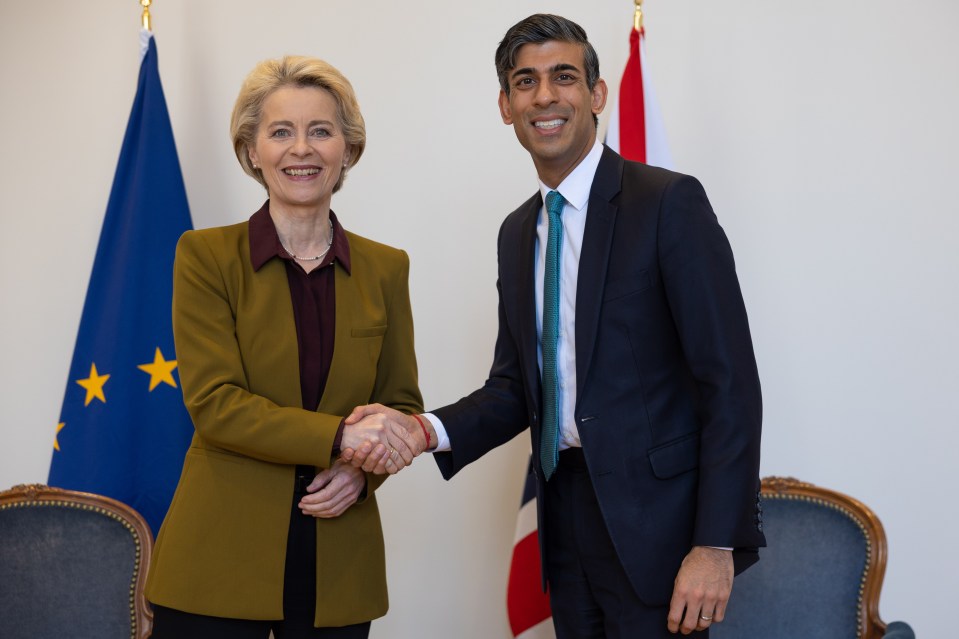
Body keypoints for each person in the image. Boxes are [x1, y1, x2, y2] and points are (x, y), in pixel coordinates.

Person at [345, 13, 765, 638]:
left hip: (662, 532)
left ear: (596, 95)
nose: (544, 96)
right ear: (505, 106)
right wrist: (420, 429)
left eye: (563, 77)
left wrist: (715, 544)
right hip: (563, 521)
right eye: (525, 82)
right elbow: (515, 388)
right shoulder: (519, 232)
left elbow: (729, 383)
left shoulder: (667, 204)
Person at [145, 55, 423, 639]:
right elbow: (216, 404)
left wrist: (362, 474)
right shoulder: (205, 257)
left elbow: (398, 406)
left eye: (320, 131)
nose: (302, 149)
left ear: (347, 150)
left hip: (339, 564)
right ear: (252, 151)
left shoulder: (385, 268)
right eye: (280, 132)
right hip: (216, 560)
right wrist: (341, 440)